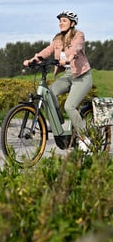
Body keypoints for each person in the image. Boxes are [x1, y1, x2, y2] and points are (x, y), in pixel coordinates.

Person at [23, 10, 93, 151]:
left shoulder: (79, 35)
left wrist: (68, 58)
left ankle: (85, 139)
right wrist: (33, 60)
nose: (61, 23)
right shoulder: (58, 39)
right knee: (49, 93)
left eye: (64, 20)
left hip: (82, 77)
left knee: (69, 106)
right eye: (60, 21)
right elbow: (47, 51)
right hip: (68, 75)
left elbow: (75, 49)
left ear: (72, 23)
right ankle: (57, 122)